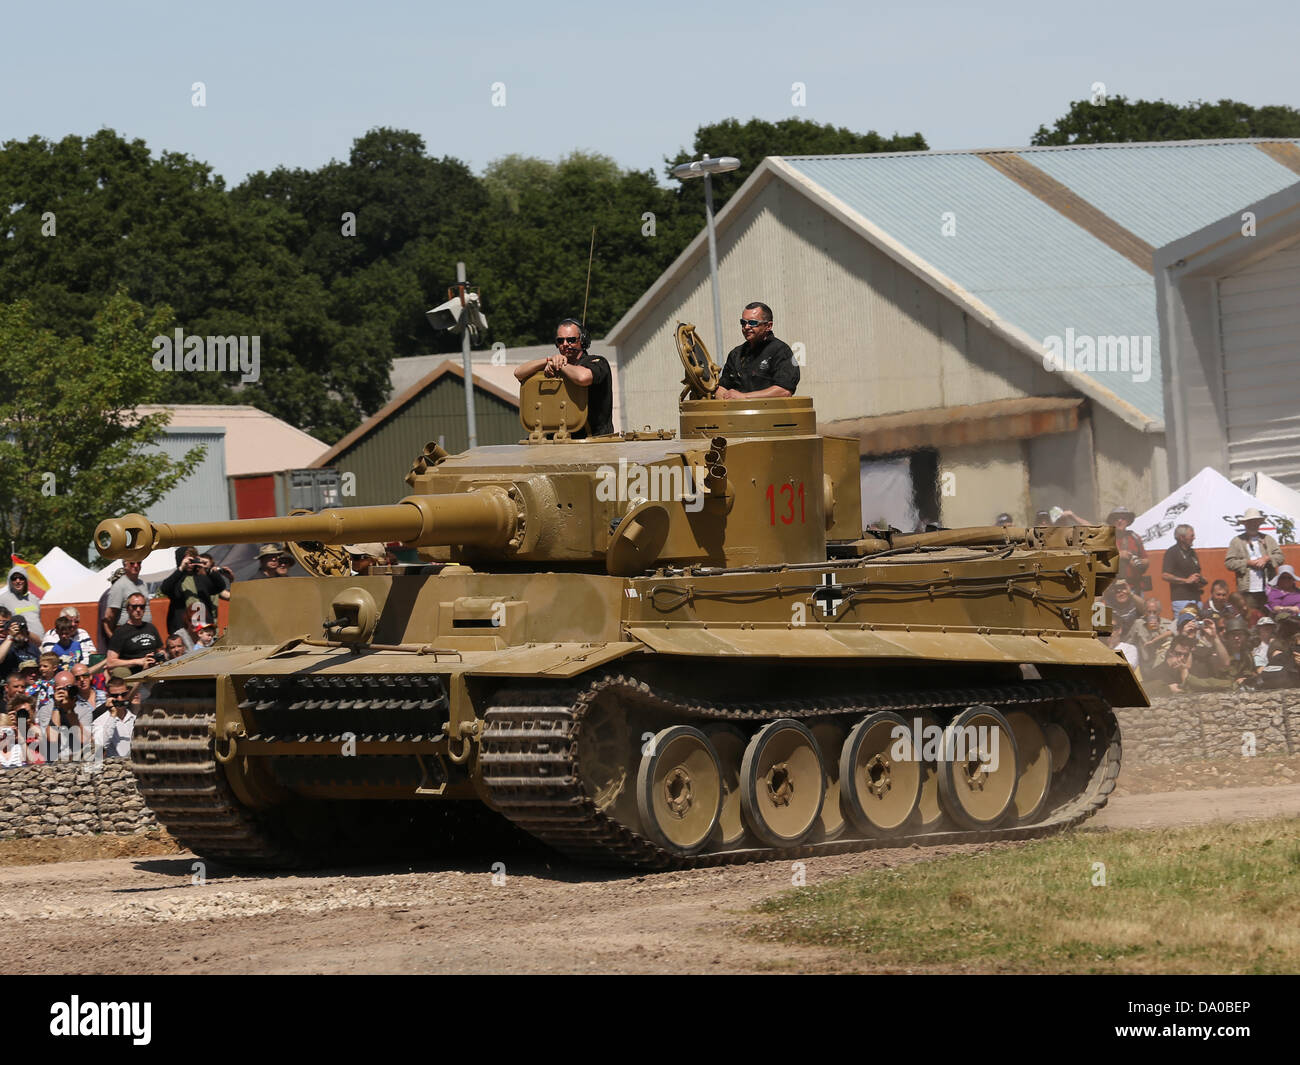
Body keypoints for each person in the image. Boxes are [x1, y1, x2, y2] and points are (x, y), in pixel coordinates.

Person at [514, 319, 614, 437]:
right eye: (560, 340)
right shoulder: (553, 365)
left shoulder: (597, 362)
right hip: (560, 438)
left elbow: (582, 378)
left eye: (571, 340)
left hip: (594, 439)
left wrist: (562, 365)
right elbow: (519, 373)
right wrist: (549, 360)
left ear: (583, 340)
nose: (565, 344)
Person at [715, 302, 799, 401]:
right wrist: (725, 398)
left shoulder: (781, 351)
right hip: (738, 415)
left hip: (768, 414)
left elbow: (784, 391)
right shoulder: (736, 354)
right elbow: (722, 387)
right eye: (743, 322)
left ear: (768, 326)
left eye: (753, 323)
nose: (746, 327)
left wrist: (744, 397)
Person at [1224, 508, 1284, 612]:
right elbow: (1229, 563)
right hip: (1247, 591)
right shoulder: (1237, 541)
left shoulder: (1268, 539)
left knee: (1268, 617)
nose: (1253, 524)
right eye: (1250, 522)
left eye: (1255, 522)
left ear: (1259, 523)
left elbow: (1280, 557)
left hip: (1268, 589)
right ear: (1245, 523)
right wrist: (1247, 563)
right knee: (1250, 618)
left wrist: (1267, 558)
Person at [104, 594, 164, 678]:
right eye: (134, 607)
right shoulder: (120, 632)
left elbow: (161, 650)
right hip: (134, 676)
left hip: (155, 672)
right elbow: (111, 662)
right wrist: (138, 661)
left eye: (142, 606)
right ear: (128, 608)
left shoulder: (151, 628)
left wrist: (158, 658)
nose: (138, 610)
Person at [1162, 524, 1207, 615]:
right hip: (1181, 600)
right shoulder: (1172, 552)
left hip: (1197, 598)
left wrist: (1200, 579)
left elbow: (1195, 573)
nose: (1194, 538)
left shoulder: (1192, 553)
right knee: (1184, 626)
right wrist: (1186, 581)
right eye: (1191, 536)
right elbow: (1165, 575)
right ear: (1182, 538)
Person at [102, 559, 148, 642]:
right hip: (125, 635)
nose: (136, 565)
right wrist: (114, 639)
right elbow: (108, 618)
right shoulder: (115, 589)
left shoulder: (141, 585)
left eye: (139, 563)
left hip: (142, 633)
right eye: (132, 563)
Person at [1106, 505, 1150, 592]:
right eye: (1116, 518)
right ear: (1112, 521)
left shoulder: (1135, 538)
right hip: (1113, 589)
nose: (1120, 520)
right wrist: (1119, 555)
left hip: (1134, 587)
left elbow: (1146, 560)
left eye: (1123, 518)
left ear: (1128, 521)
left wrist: (1139, 562)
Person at [95, 678, 136, 759]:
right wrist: (113, 716)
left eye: (123, 695)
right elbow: (101, 745)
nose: (120, 698)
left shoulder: (135, 718)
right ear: (108, 696)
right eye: (115, 696)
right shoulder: (100, 720)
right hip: (115, 768)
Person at [0, 569, 44, 639]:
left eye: (21, 578)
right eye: (14, 578)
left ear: (26, 580)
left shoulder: (33, 598)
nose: (18, 581)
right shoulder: (3, 599)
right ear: (10, 581)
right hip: (19, 643)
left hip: (39, 642)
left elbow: (38, 619)